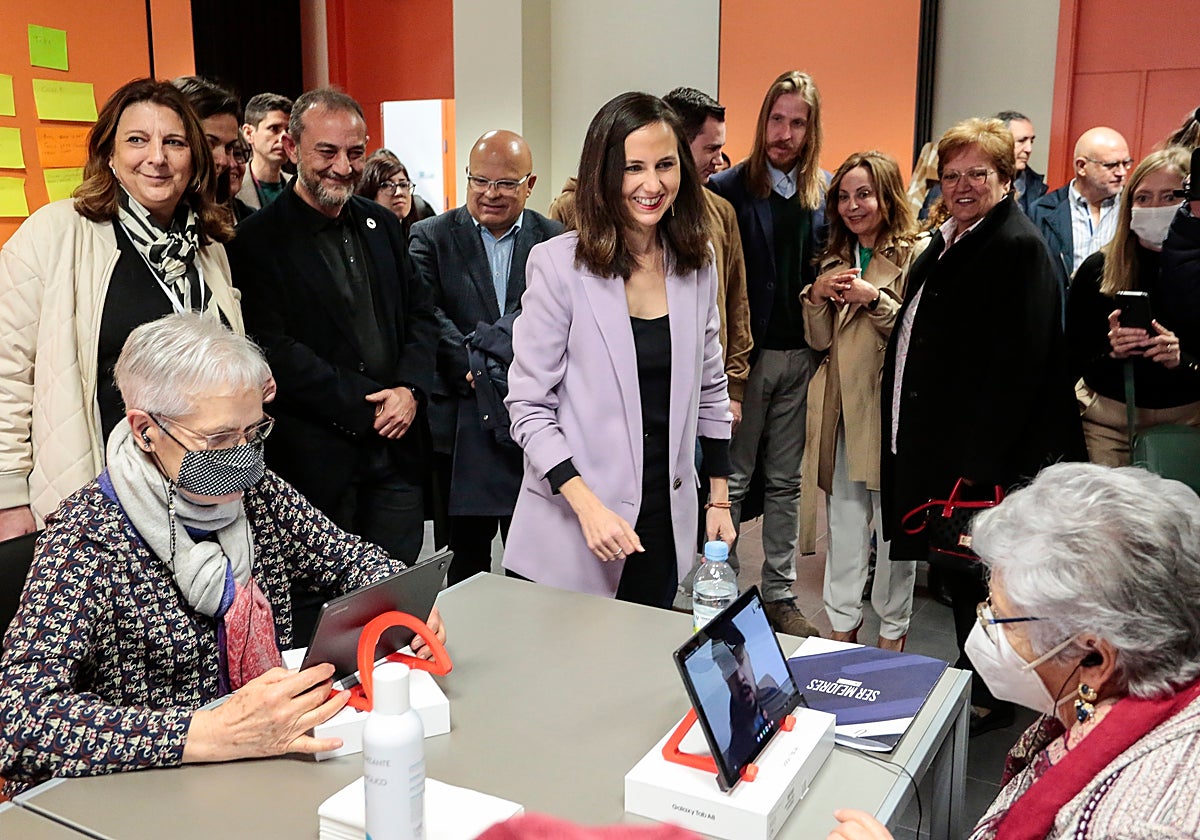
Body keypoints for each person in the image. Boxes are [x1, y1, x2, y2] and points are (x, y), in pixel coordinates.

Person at [0, 313, 446, 794]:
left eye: (252, 434)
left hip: (264, 767)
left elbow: (346, 558)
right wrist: (207, 732)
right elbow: (19, 718)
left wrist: (405, 600)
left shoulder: (252, 491)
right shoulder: (86, 536)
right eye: (218, 440)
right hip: (147, 791)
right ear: (145, 430)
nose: (243, 459)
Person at [829, 463, 1200, 840]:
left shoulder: (1139, 827)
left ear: (1094, 659)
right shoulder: (1107, 705)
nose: (984, 626)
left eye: (1002, 618)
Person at [882, 117, 1082, 736]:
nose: (962, 185)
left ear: (1006, 177)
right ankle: (976, 672)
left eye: (978, 174)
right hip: (941, 443)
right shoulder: (950, 238)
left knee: (983, 572)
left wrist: (979, 465)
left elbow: (1023, 366)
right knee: (957, 571)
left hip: (978, 457)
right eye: (951, 175)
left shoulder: (1018, 246)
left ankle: (992, 692)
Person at [503, 92, 735, 607]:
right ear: (605, 173)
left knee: (645, 656)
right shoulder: (558, 265)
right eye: (634, 168)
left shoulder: (696, 262)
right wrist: (586, 505)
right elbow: (528, 407)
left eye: (665, 165)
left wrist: (718, 497)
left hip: (660, 525)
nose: (652, 185)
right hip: (572, 524)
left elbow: (711, 386)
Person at [227, 89, 439, 638]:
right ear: (292, 148)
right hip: (317, 462)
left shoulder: (383, 225)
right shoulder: (256, 241)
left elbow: (420, 315)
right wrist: (366, 406)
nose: (343, 167)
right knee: (324, 616)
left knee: (396, 599)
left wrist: (409, 390)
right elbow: (273, 348)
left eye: (355, 152)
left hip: (397, 452)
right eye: (327, 152)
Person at [0, 78, 240, 541]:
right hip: (98, 500)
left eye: (174, 143)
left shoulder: (208, 250)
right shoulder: (54, 234)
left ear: (194, 159)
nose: (157, 157)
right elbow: (6, 373)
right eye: (137, 140)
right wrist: (7, 499)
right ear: (109, 153)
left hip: (204, 500)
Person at [408, 131, 562, 586]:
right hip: (459, 420)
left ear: (529, 184)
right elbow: (425, 313)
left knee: (533, 560)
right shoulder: (431, 236)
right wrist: (476, 369)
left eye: (506, 183)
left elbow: (550, 317)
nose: (490, 193)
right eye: (480, 180)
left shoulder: (554, 240)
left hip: (529, 417)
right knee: (464, 563)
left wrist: (503, 370)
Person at [708, 70, 827, 637]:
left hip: (801, 358)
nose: (785, 133)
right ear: (762, 123)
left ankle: (779, 593)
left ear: (811, 129)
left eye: (797, 122)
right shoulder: (728, 189)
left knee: (786, 483)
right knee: (732, 479)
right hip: (745, 361)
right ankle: (721, 586)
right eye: (777, 120)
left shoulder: (823, 192)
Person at [799, 151, 922, 651]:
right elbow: (818, 341)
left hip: (892, 410)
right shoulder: (834, 258)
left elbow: (917, 336)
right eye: (844, 197)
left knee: (894, 532)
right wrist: (814, 295)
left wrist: (875, 299)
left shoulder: (919, 253)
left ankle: (893, 634)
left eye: (864, 194)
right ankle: (842, 628)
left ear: (887, 197)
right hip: (842, 411)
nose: (853, 206)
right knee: (845, 526)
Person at [1065, 146, 1198, 465]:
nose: (1155, 207)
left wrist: (1183, 359)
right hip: (1108, 421)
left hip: (1188, 420)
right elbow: (1071, 357)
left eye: (1170, 196)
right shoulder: (1099, 268)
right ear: (1129, 206)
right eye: (1143, 198)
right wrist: (1112, 350)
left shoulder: (1194, 272)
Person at [1030, 126, 1133, 300]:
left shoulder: (1132, 210)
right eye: (1111, 165)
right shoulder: (1042, 211)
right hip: (1061, 311)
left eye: (1126, 163)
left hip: (1114, 311)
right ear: (1082, 166)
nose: (1121, 173)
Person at [921, 111, 1047, 219]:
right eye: (1021, 141)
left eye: (977, 175)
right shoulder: (939, 193)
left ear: (1005, 183)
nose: (1029, 149)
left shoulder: (1038, 191)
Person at [356, 148, 436, 239]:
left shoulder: (423, 231)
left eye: (403, 185)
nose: (399, 192)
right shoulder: (358, 239)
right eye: (386, 185)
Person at [238, 92, 293, 211]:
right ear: (249, 133)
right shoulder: (233, 188)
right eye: (274, 129)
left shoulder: (300, 188)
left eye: (288, 130)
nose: (284, 137)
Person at [228, 136, 256, 223]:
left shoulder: (250, 217)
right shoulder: (193, 219)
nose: (233, 164)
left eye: (237, 154)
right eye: (226, 153)